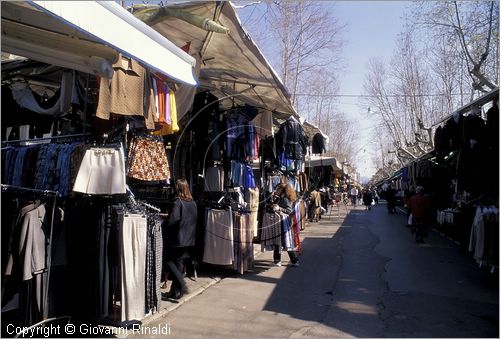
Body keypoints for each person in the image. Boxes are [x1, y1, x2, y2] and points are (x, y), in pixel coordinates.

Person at [162, 179, 198, 300]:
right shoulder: (192, 202)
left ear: (177, 189)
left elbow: (174, 219)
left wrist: (165, 222)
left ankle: (182, 284)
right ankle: (176, 292)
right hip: (188, 240)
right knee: (178, 264)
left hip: (177, 239)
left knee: (168, 261)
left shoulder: (178, 202)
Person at [273, 183, 300, 267]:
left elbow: (289, 210)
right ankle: (293, 260)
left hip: (283, 222)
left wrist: (278, 208)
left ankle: (278, 261)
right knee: (285, 241)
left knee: (281, 241)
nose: (276, 190)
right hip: (284, 222)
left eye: (278, 189)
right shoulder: (284, 197)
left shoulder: (284, 198)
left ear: (282, 189)